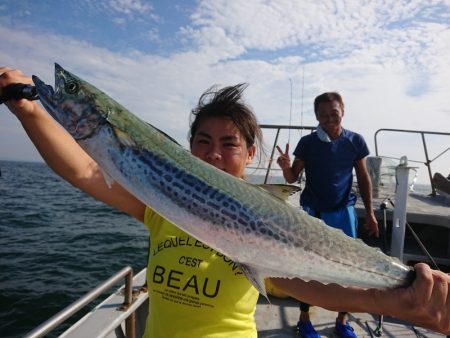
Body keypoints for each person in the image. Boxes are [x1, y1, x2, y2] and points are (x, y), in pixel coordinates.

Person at [1, 67, 449, 338]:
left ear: (251, 154)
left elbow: (307, 285)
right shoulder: (161, 204)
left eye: (229, 144)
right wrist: (30, 110)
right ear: (189, 147)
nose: (214, 153)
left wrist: (401, 299)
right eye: (202, 141)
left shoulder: (266, 217)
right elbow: (84, 170)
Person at [276, 92, 379, 338]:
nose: (329, 118)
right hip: (315, 212)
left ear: (342, 111)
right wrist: (285, 166)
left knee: (348, 266)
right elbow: (293, 178)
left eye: (334, 113)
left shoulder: (355, 141)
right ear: (316, 117)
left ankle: (342, 321)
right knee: (308, 266)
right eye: (323, 114)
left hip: (344, 212)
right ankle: (304, 319)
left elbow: (363, 178)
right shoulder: (308, 143)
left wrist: (371, 214)